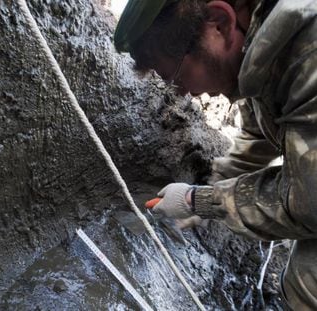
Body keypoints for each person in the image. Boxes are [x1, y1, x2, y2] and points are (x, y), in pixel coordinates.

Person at [114, 0, 317, 309]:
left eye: (178, 76)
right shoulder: (263, 50)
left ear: (219, 24)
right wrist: (214, 187)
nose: (183, 93)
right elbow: (257, 132)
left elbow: (306, 206)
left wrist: (199, 201)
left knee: (306, 279)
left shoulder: (305, 53)